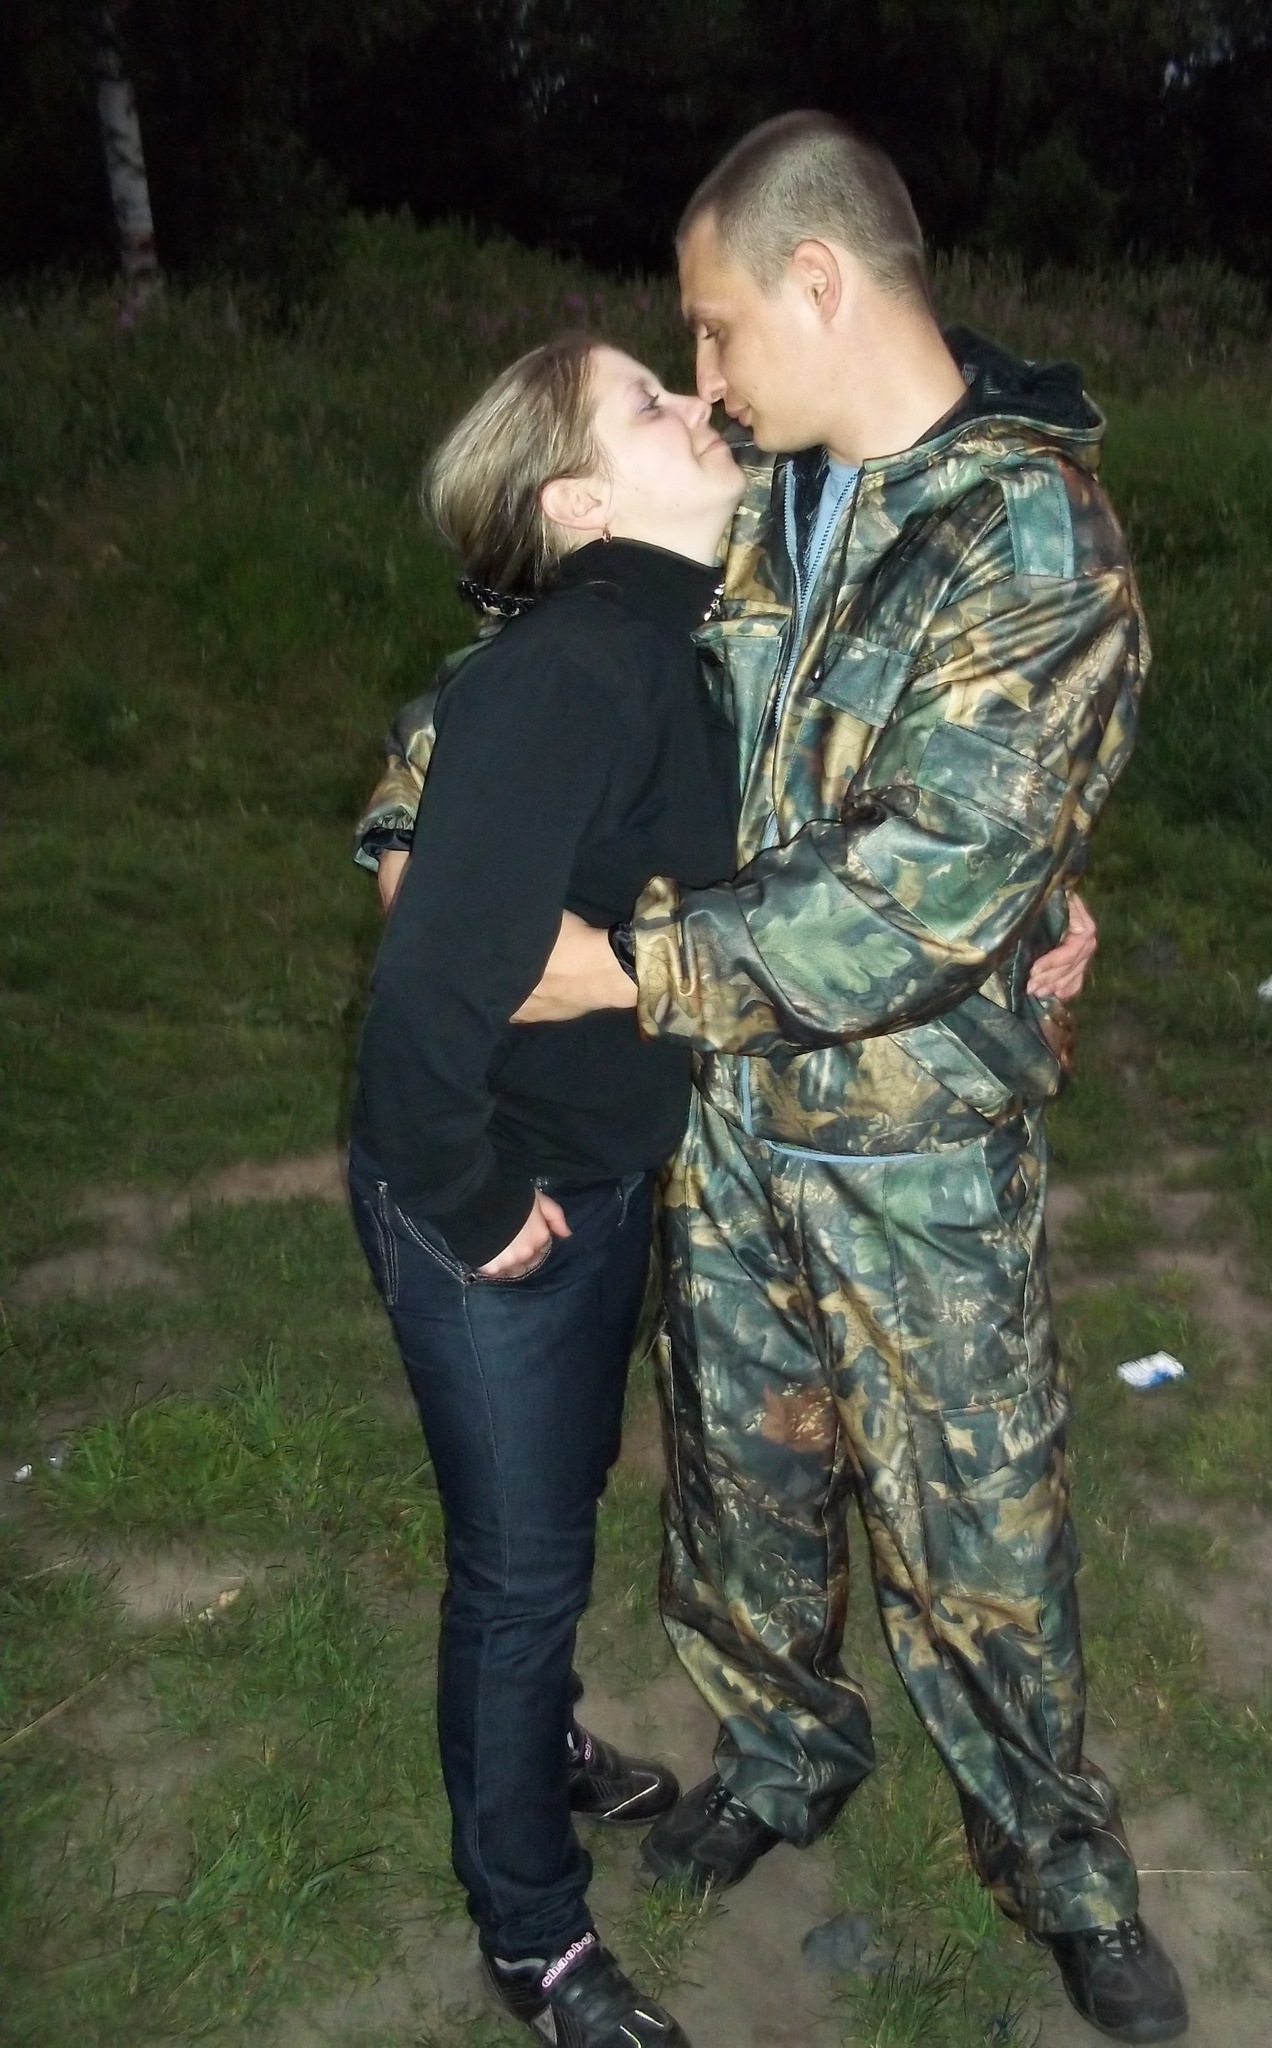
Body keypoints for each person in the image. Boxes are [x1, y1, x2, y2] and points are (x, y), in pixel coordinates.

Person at [363, 112, 1185, 2044]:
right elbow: (530, 668)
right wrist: (410, 829)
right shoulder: (750, 500)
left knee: (977, 1526)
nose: (706, 375)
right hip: (719, 1133)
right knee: (743, 1488)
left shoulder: (1027, 534)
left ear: (820, 283)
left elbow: (922, 886)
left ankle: (1061, 1865)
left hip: (916, 1146)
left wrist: (623, 967)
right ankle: (785, 1754)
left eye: (717, 328)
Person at [348, 334, 745, 2048]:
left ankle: (541, 1743)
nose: (701, 403)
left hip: (602, 1179)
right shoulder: (577, 668)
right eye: (652, 402)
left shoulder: (670, 644)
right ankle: (533, 1933)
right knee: (516, 1578)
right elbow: (425, 1000)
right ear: (577, 505)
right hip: (501, 1201)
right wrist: (472, 1200)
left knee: (560, 1505)